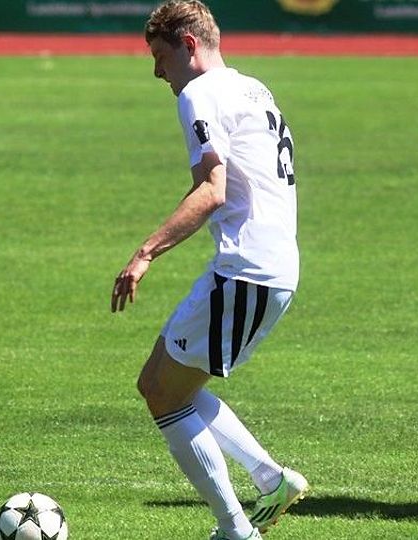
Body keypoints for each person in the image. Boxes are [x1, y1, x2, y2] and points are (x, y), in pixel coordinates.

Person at [111, 2, 308, 539]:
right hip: (260, 266)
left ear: (189, 45)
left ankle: (234, 528)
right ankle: (271, 480)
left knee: (163, 394)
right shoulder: (252, 88)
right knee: (160, 381)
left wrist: (146, 252)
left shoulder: (199, 94)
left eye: (160, 57)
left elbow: (213, 190)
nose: (158, 72)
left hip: (248, 270)